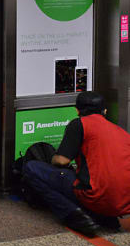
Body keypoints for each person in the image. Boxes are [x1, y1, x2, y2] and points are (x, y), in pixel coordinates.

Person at [22, 91, 130, 236]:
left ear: (77, 110)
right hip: (123, 202)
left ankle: (73, 215)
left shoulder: (80, 124)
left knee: (32, 168)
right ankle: (102, 217)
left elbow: (61, 160)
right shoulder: (121, 132)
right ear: (104, 111)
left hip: (96, 196)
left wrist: (52, 159)